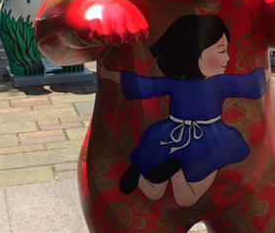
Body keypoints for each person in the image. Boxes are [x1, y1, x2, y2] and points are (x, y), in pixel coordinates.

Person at [99, 14, 266, 207]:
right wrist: (267, 72)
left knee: (154, 192)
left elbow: (142, 85)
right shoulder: (220, 83)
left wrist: (107, 74)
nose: (227, 58)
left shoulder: (175, 83)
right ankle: (175, 173)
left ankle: (140, 175)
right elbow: (252, 84)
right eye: (221, 51)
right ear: (196, 52)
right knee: (187, 198)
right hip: (210, 140)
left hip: (169, 135)